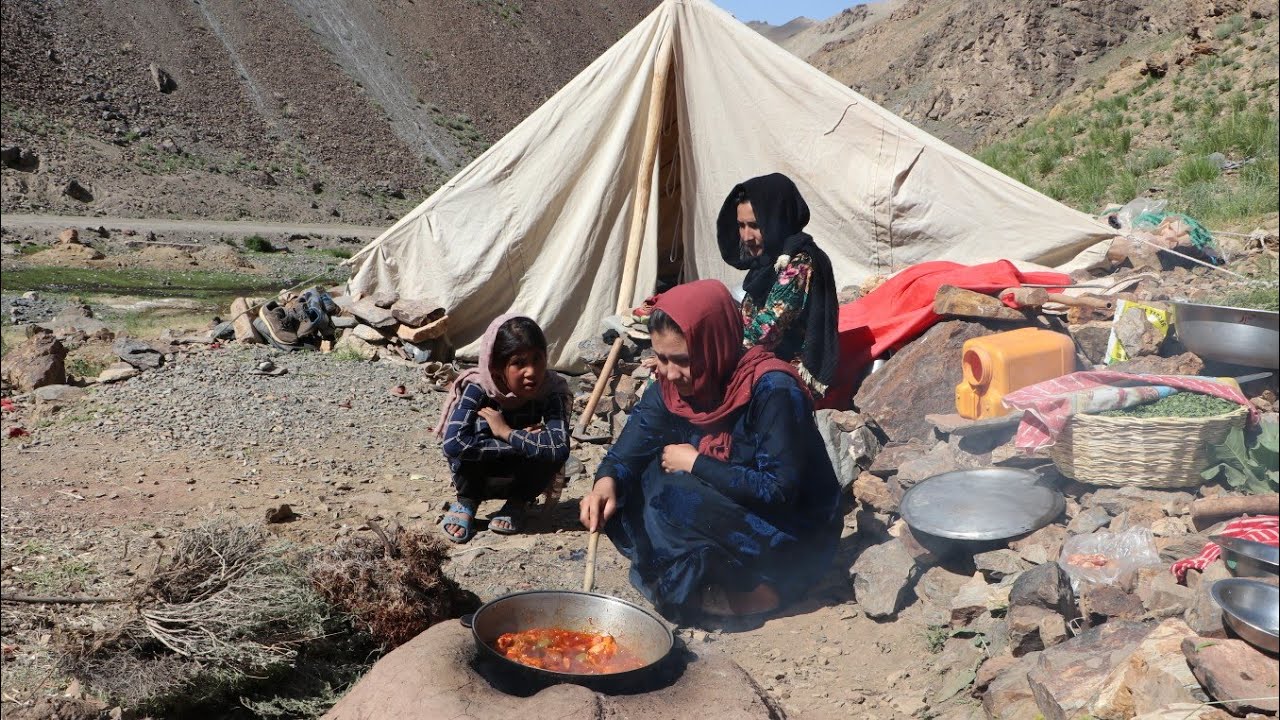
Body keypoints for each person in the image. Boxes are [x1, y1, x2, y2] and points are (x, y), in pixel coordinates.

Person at [579, 280, 842, 624]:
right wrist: (605, 483)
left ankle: (765, 591)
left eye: (684, 360)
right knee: (641, 479)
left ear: (714, 346)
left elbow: (778, 490)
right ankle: (705, 576)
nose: (670, 373)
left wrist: (696, 462)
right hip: (727, 508)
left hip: (791, 530)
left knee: (672, 490)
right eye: (661, 358)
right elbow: (625, 454)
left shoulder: (773, 390)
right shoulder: (671, 388)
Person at [436, 315, 571, 543]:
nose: (532, 371)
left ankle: (517, 502)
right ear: (497, 367)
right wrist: (519, 442)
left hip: (520, 474)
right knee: (479, 434)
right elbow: (453, 444)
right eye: (519, 363)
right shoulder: (478, 388)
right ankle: (467, 501)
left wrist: (507, 432)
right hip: (478, 472)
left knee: (548, 451)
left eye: (538, 359)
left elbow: (559, 448)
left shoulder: (551, 390)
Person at [717, 173, 839, 398]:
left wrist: (709, 353)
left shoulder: (799, 263)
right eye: (741, 226)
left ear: (777, 220)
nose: (746, 236)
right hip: (756, 359)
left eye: (754, 225)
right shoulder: (768, 260)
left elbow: (766, 330)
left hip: (783, 377)